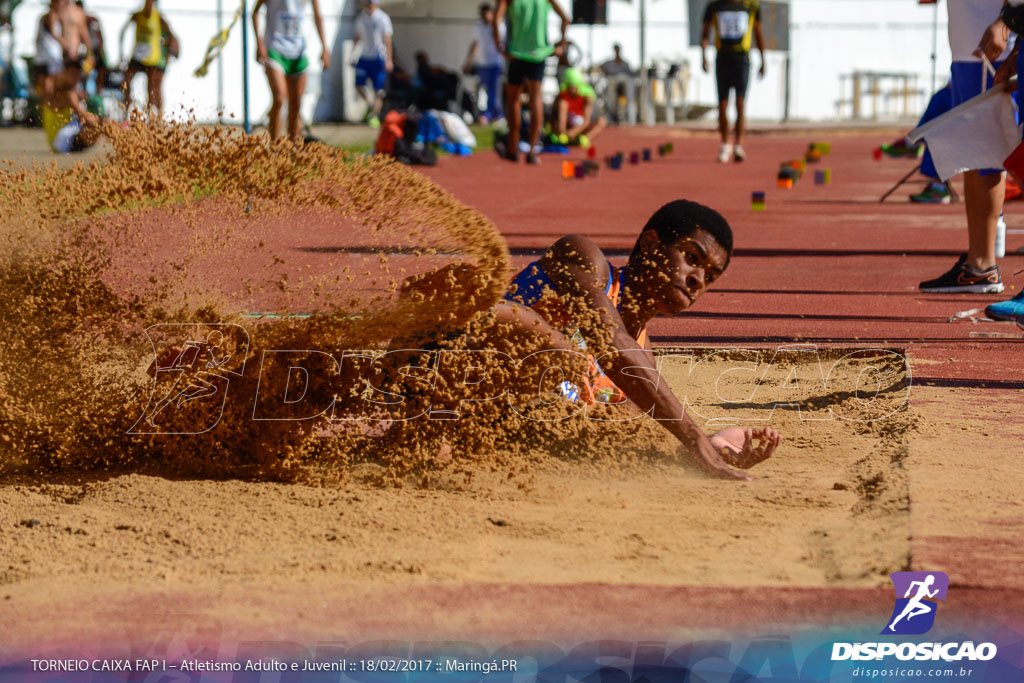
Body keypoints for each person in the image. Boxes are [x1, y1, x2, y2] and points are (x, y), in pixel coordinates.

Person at [496, 200, 781, 479]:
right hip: (464, 370)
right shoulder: (582, 257)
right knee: (553, 344)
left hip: (501, 434)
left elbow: (614, 439)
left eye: (711, 277)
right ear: (650, 244)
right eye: (692, 258)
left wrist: (705, 448)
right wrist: (695, 440)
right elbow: (611, 341)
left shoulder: (642, 359)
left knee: (601, 413)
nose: (698, 279)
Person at [918, 0, 1010, 294]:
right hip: (968, 48)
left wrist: (1005, 22)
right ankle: (978, 261)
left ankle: (983, 263)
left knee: (989, 155)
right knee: (974, 154)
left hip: (990, 45)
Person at [493, 0, 570, 165]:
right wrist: (561, 45)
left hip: (516, 54)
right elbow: (566, 18)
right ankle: (533, 151)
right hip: (539, 54)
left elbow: (496, 20)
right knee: (536, 99)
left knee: (514, 100)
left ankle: (513, 149)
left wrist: (499, 45)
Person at [252, 0, 330, 142]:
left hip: (298, 52)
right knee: (280, 97)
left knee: (296, 103)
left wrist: (324, 47)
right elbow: (255, 12)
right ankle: (274, 145)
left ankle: (292, 148)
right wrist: (259, 43)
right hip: (275, 50)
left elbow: (318, 16)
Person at [700, 0, 765, 163]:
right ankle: (724, 144)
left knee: (740, 103)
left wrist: (764, 60)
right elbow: (705, 33)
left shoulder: (751, 6)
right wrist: (703, 56)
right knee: (722, 105)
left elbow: (758, 33)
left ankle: (739, 145)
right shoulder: (714, 6)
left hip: (742, 59)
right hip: (723, 58)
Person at [120, 0, 178, 117]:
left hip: (153, 59)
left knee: (152, 89)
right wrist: (121, 54)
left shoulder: (159, 18)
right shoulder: (137, 15)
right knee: (126, 81)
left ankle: (156, 117)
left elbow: (172, 36)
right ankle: (126, 110)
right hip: (138, 56)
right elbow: (122, 32)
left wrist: (170, 53)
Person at [352, 0, 393, 129]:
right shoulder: (360, 18)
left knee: (379, 91)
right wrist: (353, 53)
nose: (369, 5)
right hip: (364, 56)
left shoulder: (382, 18)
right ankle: (370, 105)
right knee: (358, 85)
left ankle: (374, 115)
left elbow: (387, 39)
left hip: (378, 57)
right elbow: (357, 36)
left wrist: (389, 59)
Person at [463, 3, 505, 124]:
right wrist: (469, 62)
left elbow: (503, 43)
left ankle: (493, 114)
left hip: (496, 63)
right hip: (483, 63)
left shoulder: (499, 26)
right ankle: (488, 113)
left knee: (494, 91)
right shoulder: (479, 27)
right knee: (485, 91)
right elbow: (475, 44)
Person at [551, 67, 605, 147]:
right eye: (570, 87)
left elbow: (586, 121)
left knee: (602, 122)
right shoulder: (562, 96)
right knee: (562, 104)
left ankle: (584, 139)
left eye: (574, 87)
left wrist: (574, 132)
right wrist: (563, 131)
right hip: (567, 126)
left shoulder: (587, 96)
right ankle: (563, 137)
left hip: (581, 127)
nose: (572, 90)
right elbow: (556, 116)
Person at [77, 0, 107, 92]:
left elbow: (100, 38)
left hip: (95, 52)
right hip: (84, 53)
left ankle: (98, 94)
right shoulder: (75, 22)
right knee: (82, 75)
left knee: (100, 75)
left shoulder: (91, 20)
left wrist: (96, 54)